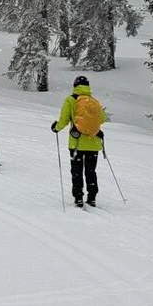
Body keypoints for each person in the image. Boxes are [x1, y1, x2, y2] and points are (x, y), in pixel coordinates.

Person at [51, 75, 107, 208]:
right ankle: (92, 197)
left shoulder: (71, 100)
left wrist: (56, 128)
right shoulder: (94, 101)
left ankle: (78, 198)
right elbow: (102, 119)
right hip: (93, 143)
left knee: (77, 171)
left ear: (75, 86)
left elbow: (64, 120)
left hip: (76, 143)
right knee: (90, 171)